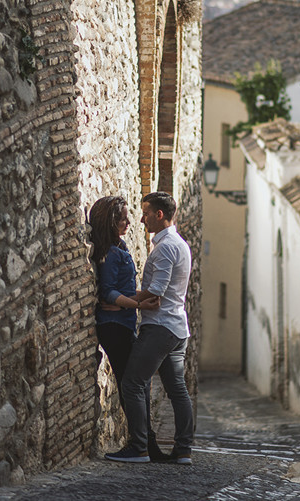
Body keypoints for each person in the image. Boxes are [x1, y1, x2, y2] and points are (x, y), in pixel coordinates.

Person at [105, 191, 194, 465]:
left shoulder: (166, 247)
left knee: (132, 382)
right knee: (177, 389)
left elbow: (156, 291)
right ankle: (183, 450)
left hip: (161, 328)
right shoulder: (179, 244)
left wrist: (123, 301)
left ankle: (139, 447)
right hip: (177, 328)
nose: (141, 219)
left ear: (159, 214)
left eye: (145, 213)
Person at [87, 196, 167, 461]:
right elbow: (108, 292)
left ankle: (146, 443)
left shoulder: (118, 248)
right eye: (123, 218)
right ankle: (141, 445)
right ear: (111, 221)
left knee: (136, 384)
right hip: (114, 327)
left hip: (122, 323)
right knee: (130, 384)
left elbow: (119, 293)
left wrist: (140, 299)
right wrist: (133, 304)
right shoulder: (109, 253)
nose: (129, 222)